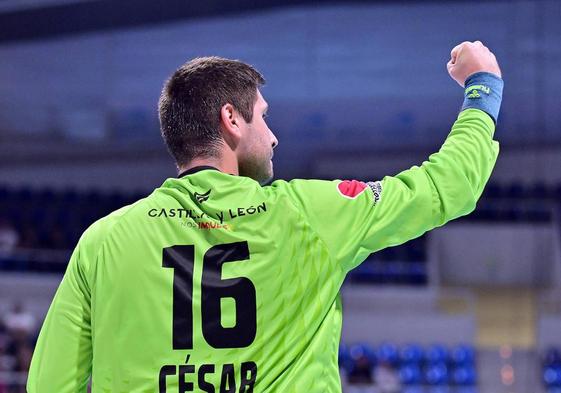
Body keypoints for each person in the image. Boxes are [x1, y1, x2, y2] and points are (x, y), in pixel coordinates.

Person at [27, 41, 503, 392]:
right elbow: (449, 187)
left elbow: (49, 385)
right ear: (231, 120)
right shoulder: (311, 213)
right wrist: (483, 87)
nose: (273, 138)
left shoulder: (103, 242)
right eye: (264, 118)